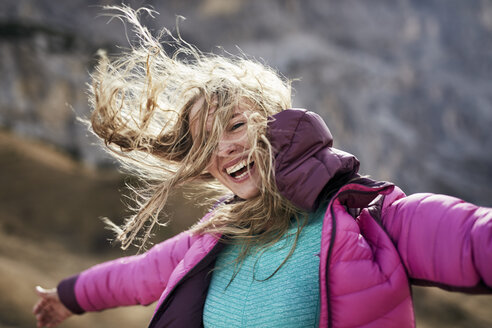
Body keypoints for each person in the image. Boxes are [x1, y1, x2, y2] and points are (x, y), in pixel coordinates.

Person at [33, 6, 492, 328]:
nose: (225, 148)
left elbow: (473, 239)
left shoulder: (368, 218)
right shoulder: (213, 238)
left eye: (235, 125)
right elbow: (138, 275)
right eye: (206, 141)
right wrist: (66, 297)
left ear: (276, 124)